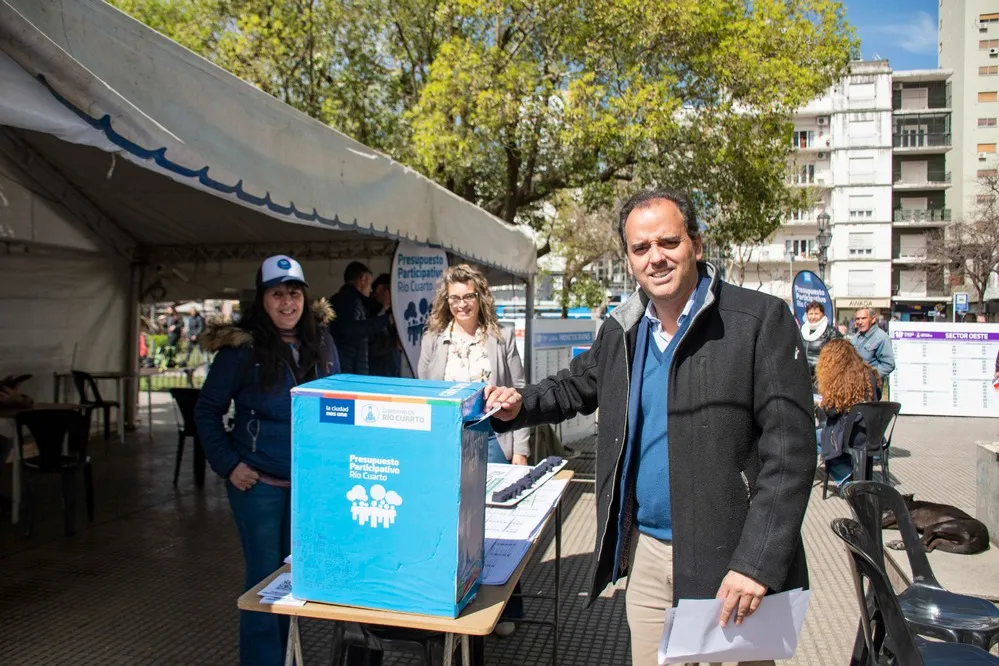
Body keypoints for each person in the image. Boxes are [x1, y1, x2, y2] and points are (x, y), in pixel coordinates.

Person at [484, 189, 815, 666]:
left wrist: (757, 563)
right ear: (628, 259)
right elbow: (578, 385)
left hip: (732, 560)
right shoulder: (623, 329)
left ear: (696, 245)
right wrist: (520, 405)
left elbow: (792, 455)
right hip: (649, 555)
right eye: (641, 248)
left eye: (668, 242)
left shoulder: (759, 321)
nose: (656, 258)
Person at [195, 255, 339, 666]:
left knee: (295, 582)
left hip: (307, 486)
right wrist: (229, 464)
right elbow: (207, 410)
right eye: (277, 293)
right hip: (257, 485)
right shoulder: (242, 349)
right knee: (263, 582)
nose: (287, 302)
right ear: (263, 300)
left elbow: (337, 404)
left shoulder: (322, 341)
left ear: (304, 296)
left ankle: (287, 658)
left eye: (294, 292)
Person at [418, 263, 530, 637]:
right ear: (446, 302)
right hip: (449, 443)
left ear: (480, 298)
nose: (462, 304)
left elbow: (520, 391)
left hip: (494, 440)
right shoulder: (433, 338)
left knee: (499, 527)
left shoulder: (500, 337)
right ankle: (454, 594)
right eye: (455, 299)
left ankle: (506, 605)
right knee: (452, 523)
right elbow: (424, 393)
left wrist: (521, 450)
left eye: (468, 297)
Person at [815, 339, 881, 488]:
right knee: (827, 437)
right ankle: (853, 473)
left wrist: (822, 403)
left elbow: (831, 412)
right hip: (872, 433)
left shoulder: (840, 380)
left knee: (811, 438)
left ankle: (846, 480)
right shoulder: (870, 374)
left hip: (851, 436)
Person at [330, 261, 390, 374]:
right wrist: (385, 319)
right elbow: (353, 330)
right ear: (362, 279)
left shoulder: (353, 301)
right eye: (370, 284)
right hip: (349, 368)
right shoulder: (349, 300)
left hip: (351, 366)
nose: (371, 290)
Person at [367, 274, 402, 377]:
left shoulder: (391, 310)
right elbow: (370, 344)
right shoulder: (368, 311)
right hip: (377, 370)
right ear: (380, 289)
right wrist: (393, 344)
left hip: (392, 366)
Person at [851, 307, 895, 383]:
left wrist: (869, 376)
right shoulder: (855, 338)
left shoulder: (881, 337)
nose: (860, 322)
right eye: (857, 319)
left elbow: (889, 365)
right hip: (854, 385)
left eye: (864, 318)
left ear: (873, 319)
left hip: (871, 388)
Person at [799, 300, 839, 384]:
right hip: (803, 373)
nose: (813, 317)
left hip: (820, 376)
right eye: (810, 314)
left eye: (816, 314)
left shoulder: (831, 331)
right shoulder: (802, 330)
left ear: (823, 314)